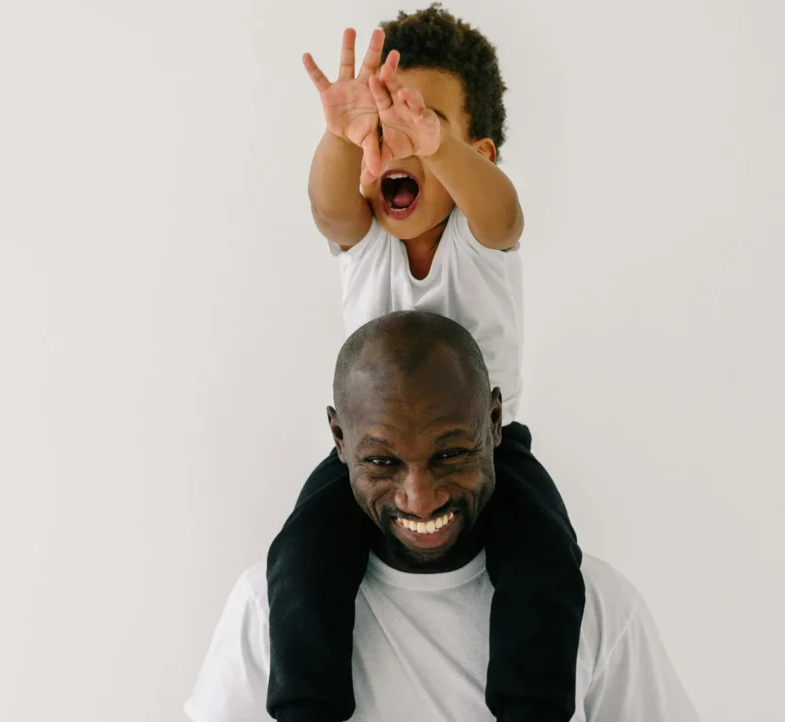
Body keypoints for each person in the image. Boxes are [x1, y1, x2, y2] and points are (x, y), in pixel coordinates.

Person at [267, 6, 585, 722]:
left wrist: (437, 146)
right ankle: (308, 708)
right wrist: (340, 135)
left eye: (423, 121)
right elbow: (328, 206)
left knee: (545, 561)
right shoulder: (365, 241)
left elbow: (504, 210)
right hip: (375, 455)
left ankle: (531, 707)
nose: (400, 140)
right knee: (300, 559)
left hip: (483, 449)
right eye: (384, 127)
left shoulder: (480, 238)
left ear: (479, 152)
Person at [186, 311, 701, 722]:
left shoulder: (598, 604)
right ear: (339, 439)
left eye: (451, 454)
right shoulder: (266, 605)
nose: (421, 498)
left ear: (495, 423)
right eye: (383, 462)